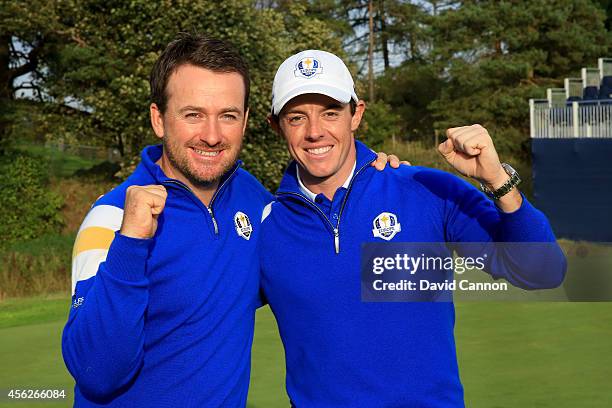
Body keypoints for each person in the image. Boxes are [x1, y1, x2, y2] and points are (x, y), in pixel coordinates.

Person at [62, 34, 399, 407]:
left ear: (245, 120)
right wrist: (132, 243)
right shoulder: (109, 219)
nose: (212, 136)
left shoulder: (256, 202)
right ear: (158, 118)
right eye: (193, 115)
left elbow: (325, 272)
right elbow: (98, 373)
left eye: (227, 116)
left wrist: (374, 180)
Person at [260, 50, 567, 407]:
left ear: (355, 114)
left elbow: (543, 271)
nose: (315, 132)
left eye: (330, 113)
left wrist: (498, 179)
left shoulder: (425, 190)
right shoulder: (262, 226)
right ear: (275, 125)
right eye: (297, 117)